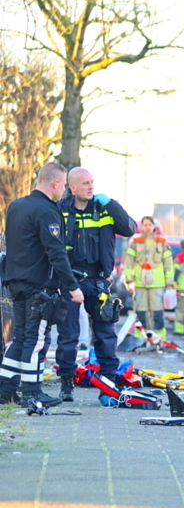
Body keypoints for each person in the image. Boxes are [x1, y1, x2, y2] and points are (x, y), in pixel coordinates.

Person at [0, 162, 84, 408]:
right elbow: (56, 252)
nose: (65, 191)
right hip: (38, 286)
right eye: (64, 185)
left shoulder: (16, 206)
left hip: (15, 283)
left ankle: (5, 391)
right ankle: (31, 394)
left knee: (19, 338)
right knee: (35, 341)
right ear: (56, 183)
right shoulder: (47, 210)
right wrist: (72, 286)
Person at [55, 168, 137, 402]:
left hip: (98, 280)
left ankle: (109, 381)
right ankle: (66, 384)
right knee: (68, 334)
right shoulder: (60, 211)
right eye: (85, 183)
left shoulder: (104, 209)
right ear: (72, 187)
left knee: (104, 332)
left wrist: (112, 203)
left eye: (92, 182)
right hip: (69, 281)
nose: (91, 187)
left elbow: (129, 228)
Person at [123, 216, 174, 338]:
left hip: (158, 283)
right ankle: (141, 337)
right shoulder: (135, 242)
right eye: (145, 225)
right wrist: (129, 280)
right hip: (140, 283)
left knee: (157, 311)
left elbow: (168, 264)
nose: (147, 227)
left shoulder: (162, 242)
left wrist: (170, 282)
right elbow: (129, 263)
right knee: (141, 310)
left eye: (149, 225)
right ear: (142, 227)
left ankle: (159, 337)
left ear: (153, 226)